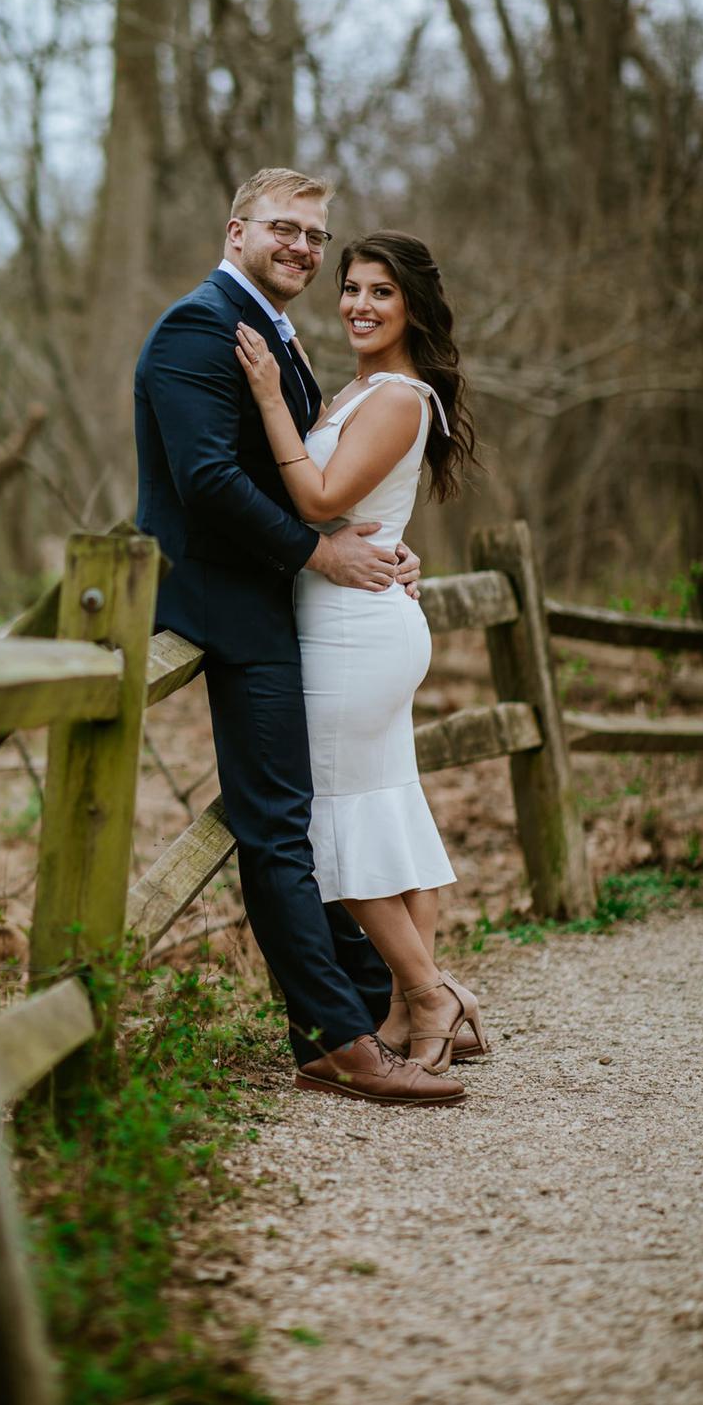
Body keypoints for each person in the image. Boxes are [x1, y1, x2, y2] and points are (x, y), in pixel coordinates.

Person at [134, 170, 464, 1106]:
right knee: (297, 823)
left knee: (315, 817)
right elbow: (207, 481)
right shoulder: (201, 326)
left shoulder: (294, 347)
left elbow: (320, 485)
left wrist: (377, 552)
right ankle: (357, 1027)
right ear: (235, 229)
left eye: (316, 237)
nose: (306, 252)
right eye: (287, 230)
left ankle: (381, 1013)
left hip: (312, 614)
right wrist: (322, 556)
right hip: (239, 608)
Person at [234, 227, 485, 1078]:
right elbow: (362, 513)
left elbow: (318, 498)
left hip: (353, 633)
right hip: (351, 617)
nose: (360, 305)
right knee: (386, 807)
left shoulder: (400, 397)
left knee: (332, 818)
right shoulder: (360, 389)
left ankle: (429, 992)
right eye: (352, 288)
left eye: (381, 291)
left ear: (412, 305)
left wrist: (270, 397)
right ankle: (408, 1004)